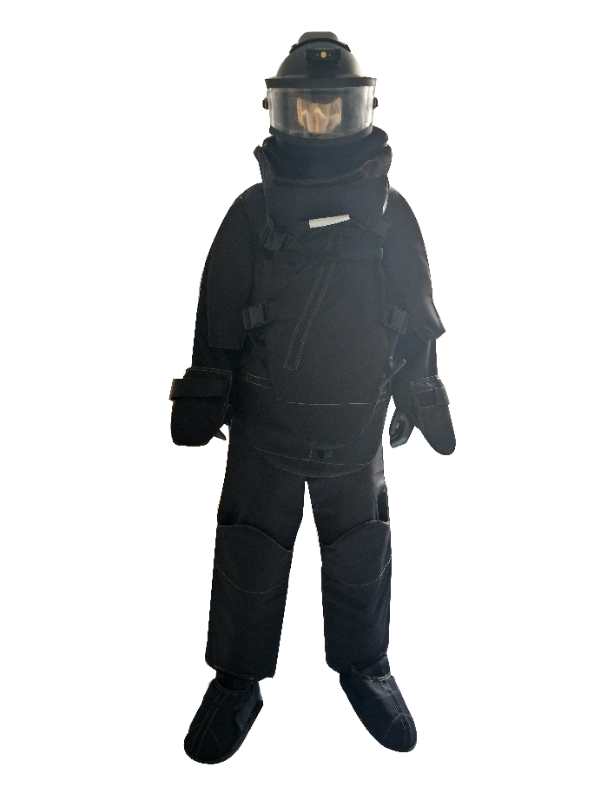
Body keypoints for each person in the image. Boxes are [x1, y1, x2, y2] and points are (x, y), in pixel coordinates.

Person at [169, 31, 455, 764]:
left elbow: (417, 311)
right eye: (307, 110)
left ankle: (365, 665)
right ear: (282, 112)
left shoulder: (392, 215)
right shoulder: (252, 213)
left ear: (361, 110)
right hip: (263, 430)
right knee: (249, 554)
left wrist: (420, 388)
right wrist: (204, 391)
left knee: (362, 554)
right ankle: (236, 679)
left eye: (334, 109)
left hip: (355, 431)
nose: (321, 124)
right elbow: (218, 312)